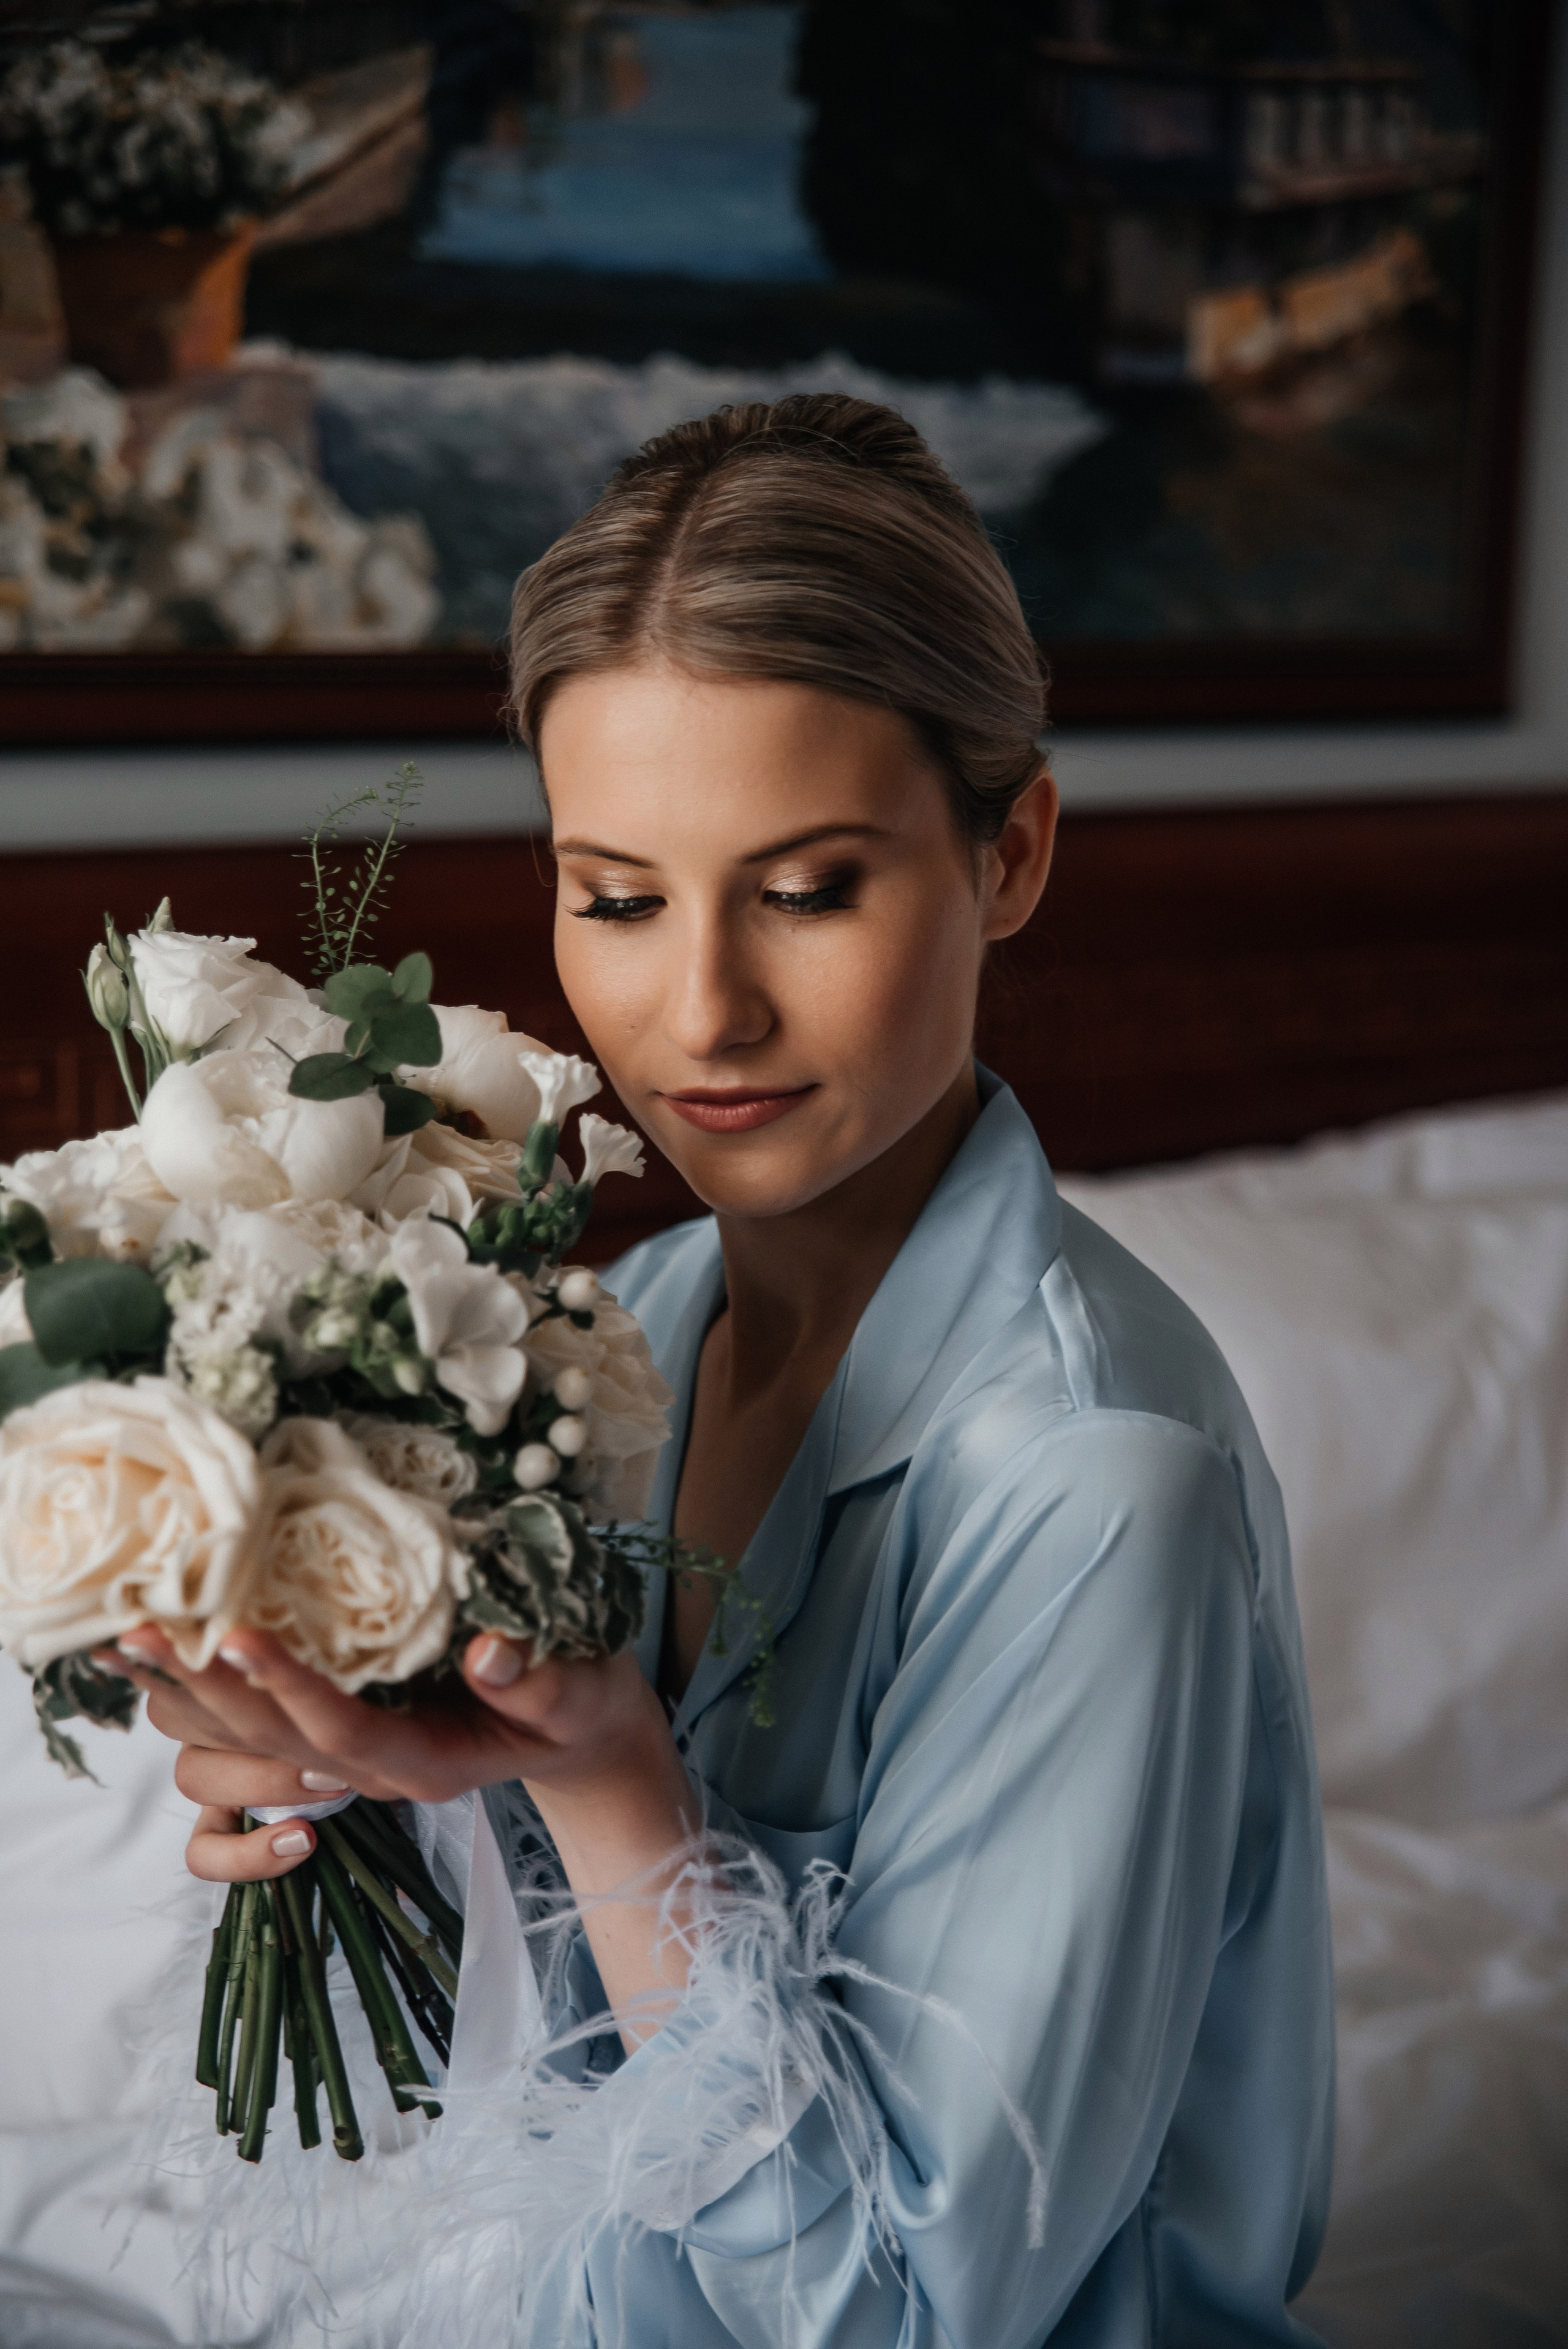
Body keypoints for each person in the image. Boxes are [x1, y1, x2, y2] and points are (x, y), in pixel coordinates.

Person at [112, 395, 1335, 2346]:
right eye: (618, 895)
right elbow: (562, 2092)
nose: (702, 1009)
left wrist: (615, 1788)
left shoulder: (1100, 1485)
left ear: (1009, 850)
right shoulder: (617, 1331)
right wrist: (350, 1797)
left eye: (810, 886)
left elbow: (898, 2313)